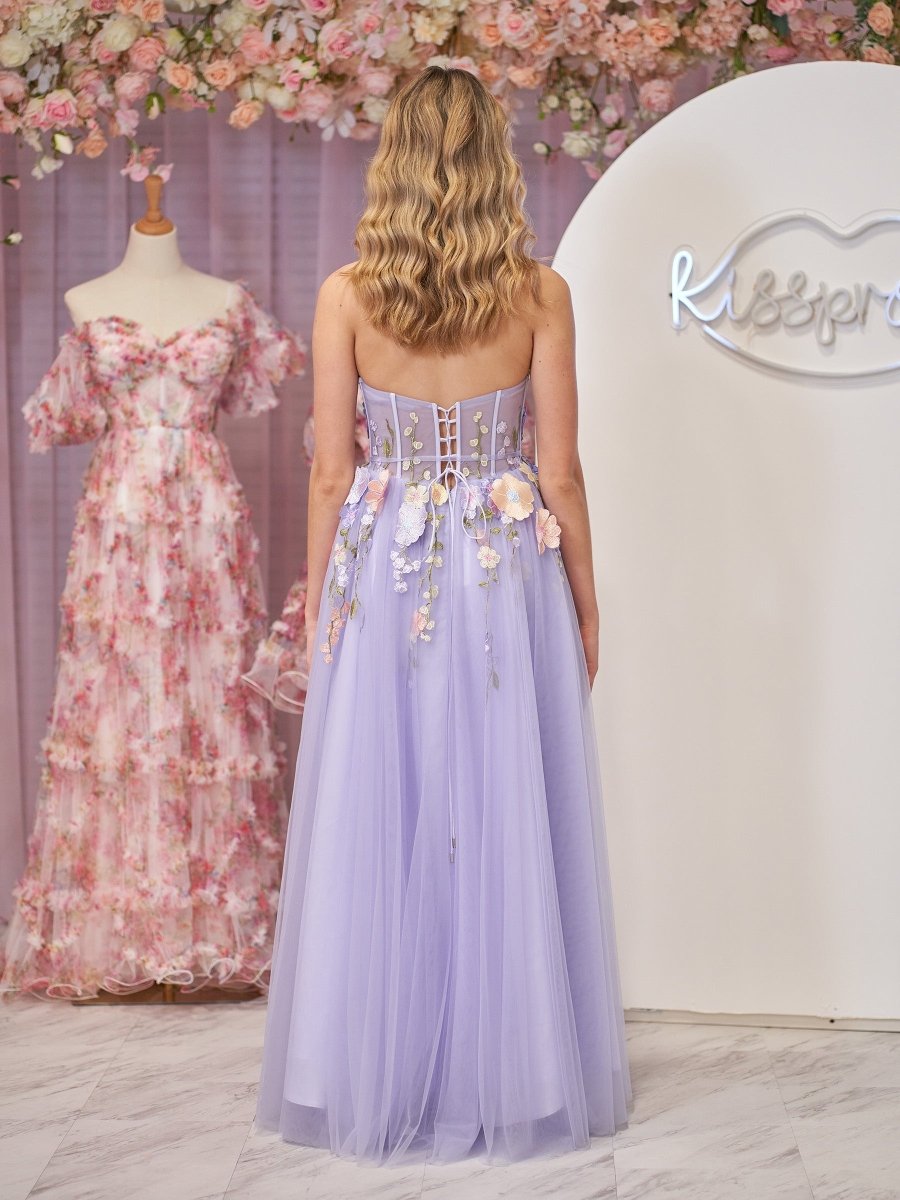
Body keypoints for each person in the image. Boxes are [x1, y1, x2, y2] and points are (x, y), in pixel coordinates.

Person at [254, 63, 632, 1166]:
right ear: (494, 163)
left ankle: (368, 1067)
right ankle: (511, 1070)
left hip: (384, 572)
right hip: (505, 571)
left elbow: (333, 473)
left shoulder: (347, 294)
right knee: (502, 806)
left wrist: (321, 606)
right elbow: (560, 474)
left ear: (397, 162)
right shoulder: (539, 294)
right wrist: (587, 605)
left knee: (388, 805)